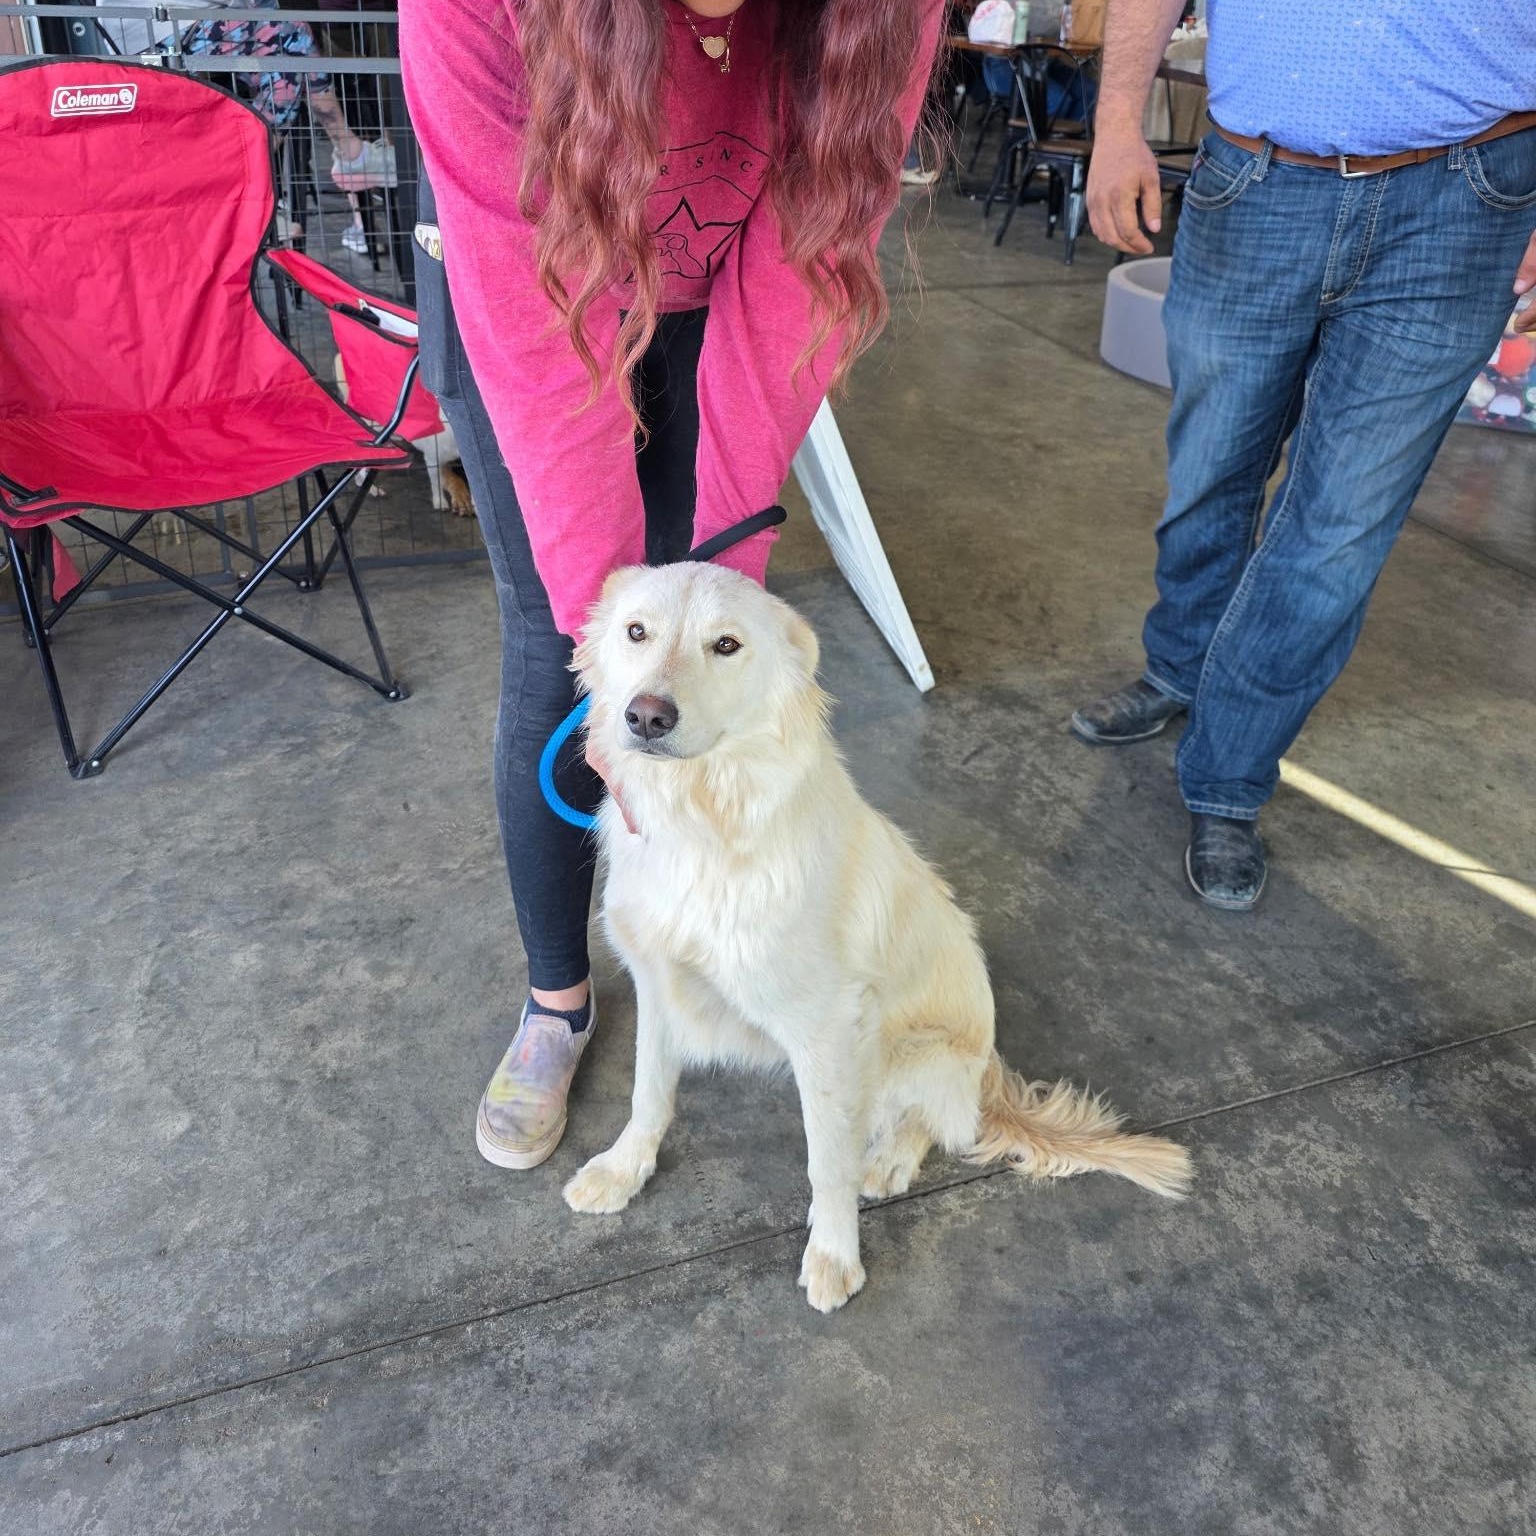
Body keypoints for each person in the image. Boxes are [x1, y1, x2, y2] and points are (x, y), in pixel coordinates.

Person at [401, 0, 944, 1168]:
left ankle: (695, 944)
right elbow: (546, 348)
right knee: (565, 662)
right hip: (524, 290)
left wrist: (710, 619)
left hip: (720, 299)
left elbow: (803, 261)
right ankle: (559, 998)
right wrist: (629, 651)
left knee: (695, 672)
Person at [1073, 0, 1536, 911]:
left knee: (1339, 527)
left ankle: (1228, 774)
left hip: (1467, 198)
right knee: (1210, 467)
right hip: (1256, 182)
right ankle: (1181, 663)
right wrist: (1118, 121)